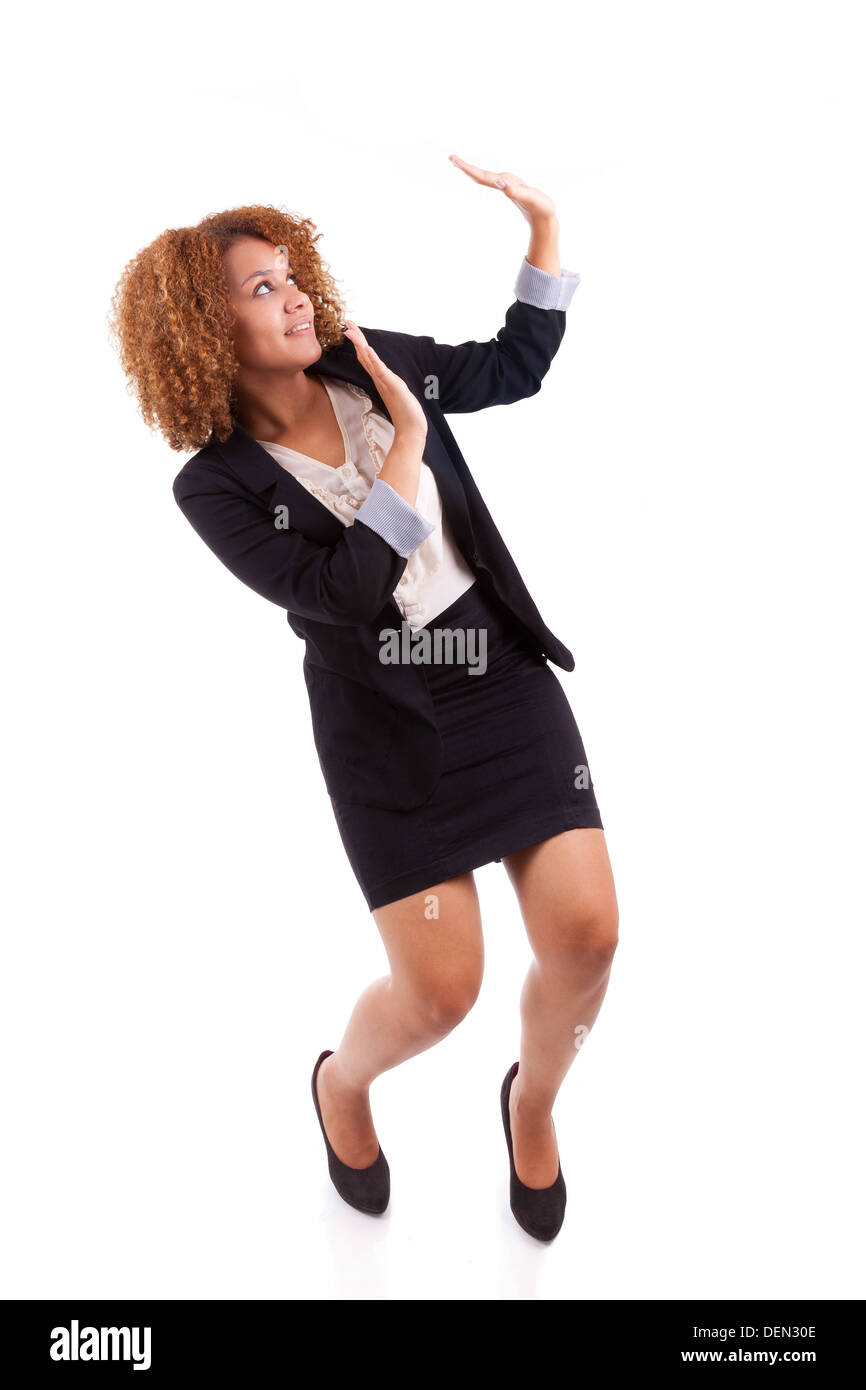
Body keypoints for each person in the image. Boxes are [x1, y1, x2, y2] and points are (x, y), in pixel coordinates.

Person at [109, 154, 619, 1241]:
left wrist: (541, 230)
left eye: (292, 275)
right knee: (440, 993)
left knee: (587, 934)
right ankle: (342, 1083)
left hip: (497, 675)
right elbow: (340, 593)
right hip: (385, 724)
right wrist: (407, 460)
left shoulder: (364, 362)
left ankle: (531, 1103)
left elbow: (508, 368)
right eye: (260, 287)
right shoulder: (214, 483)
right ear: (205, 328)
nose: (294, 294)